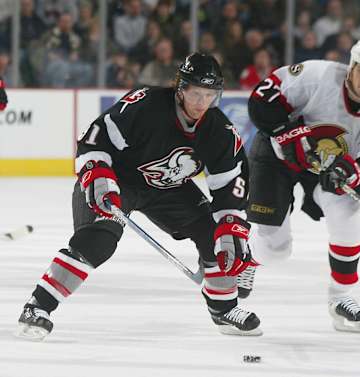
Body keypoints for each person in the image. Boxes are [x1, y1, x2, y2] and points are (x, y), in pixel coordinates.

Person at [16, 53, 262, 340]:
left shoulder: (219, 130)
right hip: (118, 180)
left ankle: (223, 309)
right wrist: (97, 172)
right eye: (196, 93)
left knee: (216, 234)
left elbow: (230, 185)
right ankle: (37, 306)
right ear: (180, 88)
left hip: (168, 187)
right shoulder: (146, 105)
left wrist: (230, 223)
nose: (201, 102)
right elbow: (96, 137)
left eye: (209, 95)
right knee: (97, 241)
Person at [239, 35, 360, 333]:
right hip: (276, 159)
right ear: (351, 66)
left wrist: (353, 175)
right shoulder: (317, 76)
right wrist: (287, 133)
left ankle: (341, 297)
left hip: (324, 169)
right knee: (276, 248)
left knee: (351, 213)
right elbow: (262, 100)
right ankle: (248, 260)